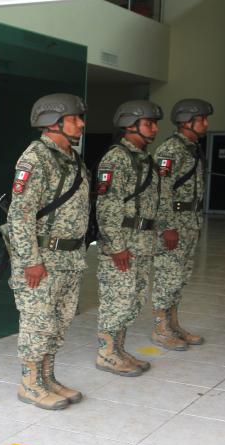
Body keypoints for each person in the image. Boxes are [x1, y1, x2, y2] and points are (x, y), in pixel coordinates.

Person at [7, 93, 91, 410]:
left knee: (58, 322)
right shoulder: (35, 159)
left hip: (69, 258)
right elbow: (20, 215)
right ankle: (30, 384)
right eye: (74, 118)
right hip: (43, 259)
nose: (81, 123)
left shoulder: (72, 159)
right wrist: (31, 261)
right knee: (38, 324)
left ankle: (47, 378)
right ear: (53, 122)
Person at [94, 100, 163, 376]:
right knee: (117, 299)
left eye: (154, 122)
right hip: (123, 243)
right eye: (149, 123)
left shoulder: (144, 158)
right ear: (129, 125)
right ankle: (107, 353)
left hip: (142, 242)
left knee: (132, 299)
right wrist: (116, 246)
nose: (155, 128)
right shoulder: (116, 158)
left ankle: (119, 349)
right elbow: (107, 205)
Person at [152, 98, 213, 351]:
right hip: (174, 224)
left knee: (179, 277)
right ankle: (161, 329)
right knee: (168, 275)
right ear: (187, 121)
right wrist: (168, 227)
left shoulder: (191, 148)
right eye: (202, 119)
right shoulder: (170, 151)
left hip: (189, 222)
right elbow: (161, 191)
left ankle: (174, 324)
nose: (206, 124)